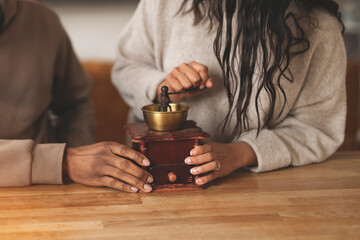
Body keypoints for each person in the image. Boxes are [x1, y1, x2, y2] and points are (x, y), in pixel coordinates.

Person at [112, 0, 347, 186]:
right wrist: (163, 88)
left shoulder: (317, 25)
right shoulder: (166, 4)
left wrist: (239, 154)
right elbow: (126, 68)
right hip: (154, 179)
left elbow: (318, 127)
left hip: (267, 188)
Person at [0, 0, 153, 193]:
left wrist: (79, 159)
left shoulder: (42, 20)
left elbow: (76, 105)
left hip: (49, 188)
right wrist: (63, 162)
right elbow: (65, 162)